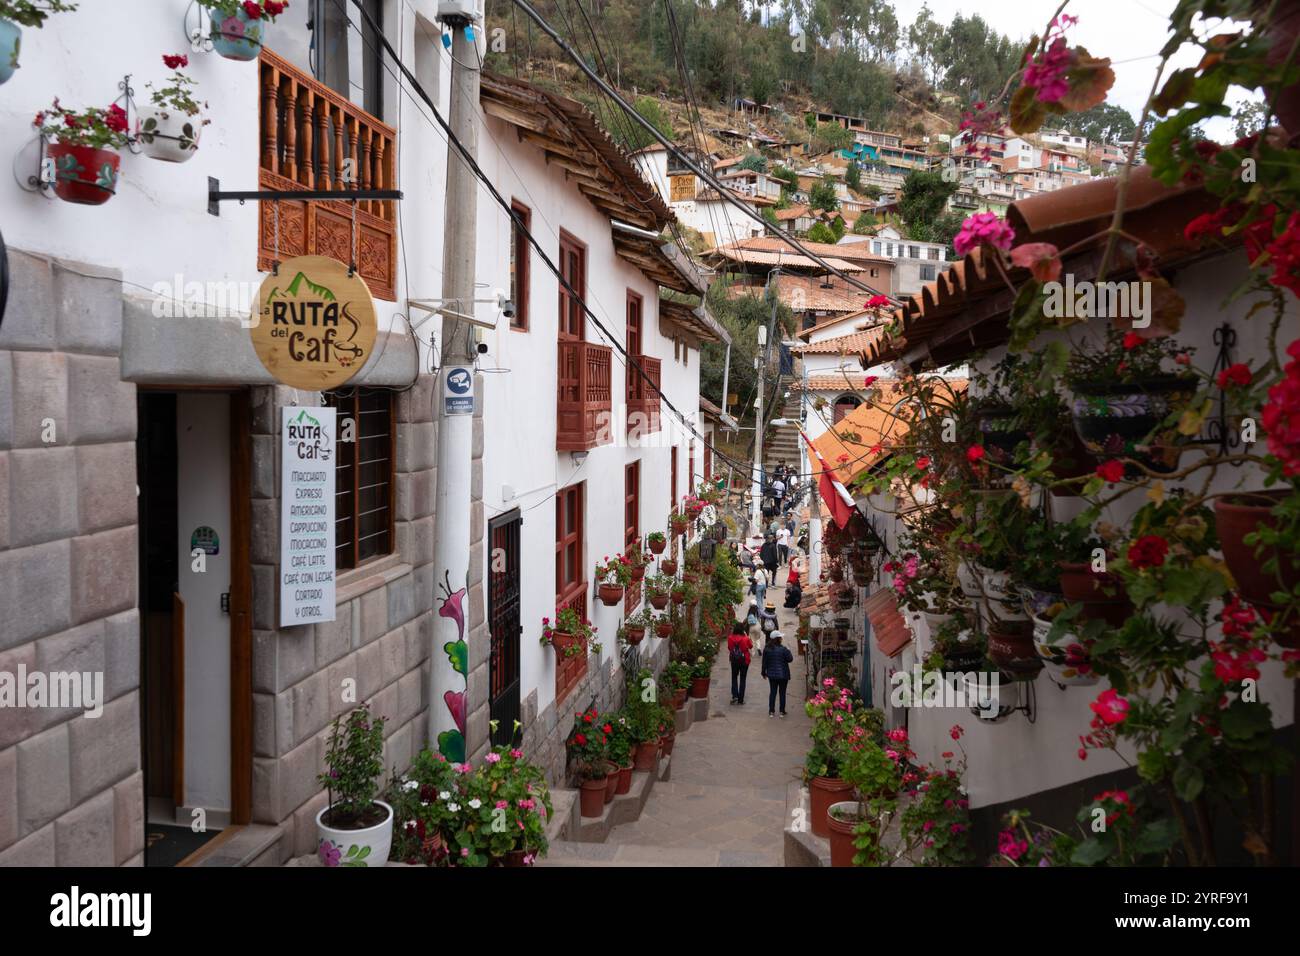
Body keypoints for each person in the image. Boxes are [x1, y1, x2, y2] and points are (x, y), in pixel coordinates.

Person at [761, 631, 794, 717]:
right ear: (778, 639)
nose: (781, 639)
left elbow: (764, 662)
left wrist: (763, 672)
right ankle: (782, 711)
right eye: (780, 637)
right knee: (782, 693)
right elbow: (790, 659)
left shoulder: (767, 649)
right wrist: (789, 650)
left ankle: (771, 711)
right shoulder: (783, 649)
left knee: (773, 692)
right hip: (783, 675)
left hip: (772, 675)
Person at [727, 621, 753, 705]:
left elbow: (729, 648)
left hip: (734, 660)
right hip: (744, 660)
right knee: (743, 678)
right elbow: (751, 646)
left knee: (734, 677)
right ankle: (741, 699)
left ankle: (735, 695)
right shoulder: (745, 638)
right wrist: (746, 637)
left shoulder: (730, 638)